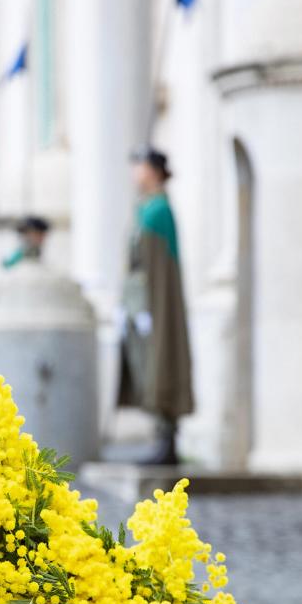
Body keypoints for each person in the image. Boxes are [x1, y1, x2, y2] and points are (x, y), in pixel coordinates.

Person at [118, 147, 194, 465]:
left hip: (152, 304)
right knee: (147, 366)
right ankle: (162, 436)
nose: (135, 173)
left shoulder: (157, 211)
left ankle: (168, 438)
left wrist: (150, 307)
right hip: (140, 303)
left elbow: (158, 267)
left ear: (152, 171)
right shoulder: (146, 209)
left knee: (161, 363)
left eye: (139, 166)